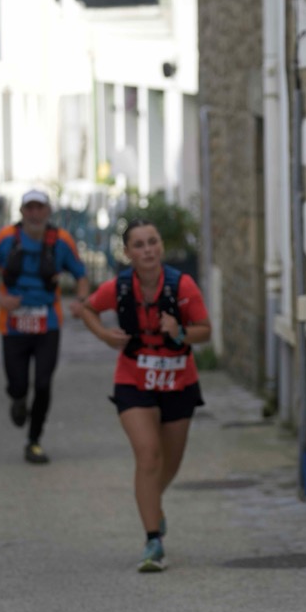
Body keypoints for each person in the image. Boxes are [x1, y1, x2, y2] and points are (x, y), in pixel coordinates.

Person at [76, 218, 211, 573]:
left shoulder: (182, 285)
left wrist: (179, 331)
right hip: (133, 379)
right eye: (139, 244)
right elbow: (88, 308)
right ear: (127, 252)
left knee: (170, 463)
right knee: (148, 456)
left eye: (153, 242)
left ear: (161, 247)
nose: (148, 250)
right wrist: (105, 335)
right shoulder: (120, 287)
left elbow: (205, 331)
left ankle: (151, 502)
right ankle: (153, 541)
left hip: (179, 381)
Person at [0, 189, 89, 465]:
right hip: (13, 325)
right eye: (30, 208)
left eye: (40, 208)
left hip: (47, 324)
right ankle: (17, 399)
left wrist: (81, 301)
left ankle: (34, 440)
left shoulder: (61, 241)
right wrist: (0, 299)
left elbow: (81, 275)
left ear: (48, 211)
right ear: (22, 212)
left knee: (43, 383)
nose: (35, 214)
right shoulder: (5, 238)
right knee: (18, 385)